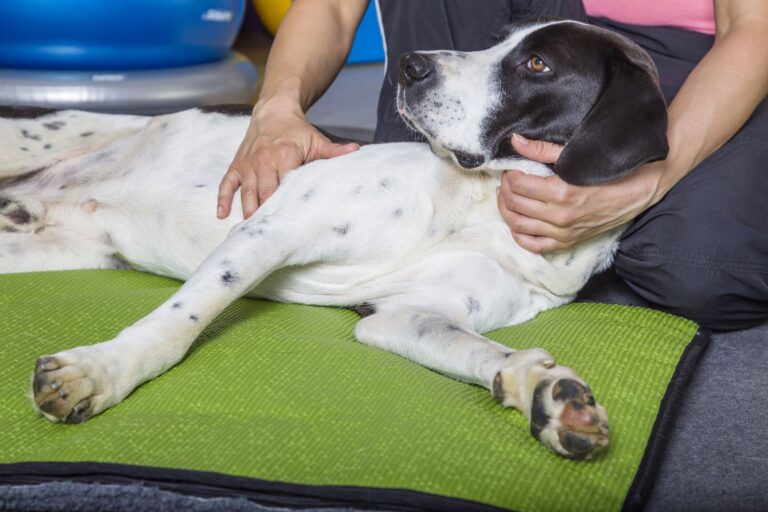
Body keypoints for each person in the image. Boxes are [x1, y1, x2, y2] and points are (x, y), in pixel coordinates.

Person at [218, 0, 768, 331]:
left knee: (699, 270)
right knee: (413, 205)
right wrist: (276, 109)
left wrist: (646, 182)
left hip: (707, 55)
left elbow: (752, 30)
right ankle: (435, 173)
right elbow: (335, 7)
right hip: (548, 26)